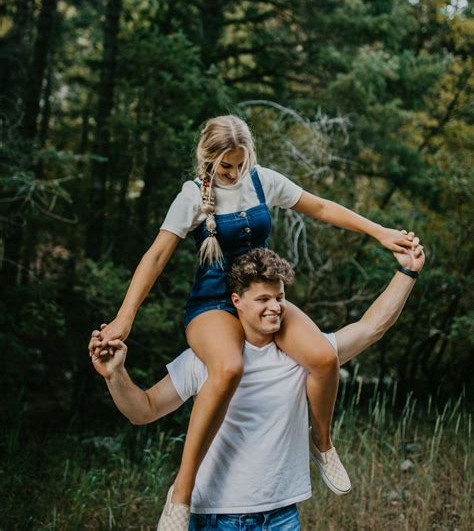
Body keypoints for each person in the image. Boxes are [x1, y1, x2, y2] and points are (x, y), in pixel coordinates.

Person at [89, 114, 417, 529]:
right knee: (227, 368)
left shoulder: (263, 181)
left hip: (262, 295)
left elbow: (320, 206)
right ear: (207, 159)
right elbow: (155, 257)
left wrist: (380, 232)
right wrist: (124, 319)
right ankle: (182, 492)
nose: (233, 172)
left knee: (322, 357)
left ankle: (322, 442)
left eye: (239, 164)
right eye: (225, 166)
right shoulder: (191, 196)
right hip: (213, 303)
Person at [91, 243, 424, 531]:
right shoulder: (207, 358)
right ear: (236, 300)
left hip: (281, 515)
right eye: (263, 298)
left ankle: (322, 443)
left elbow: (370, 328)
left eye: (279, 297)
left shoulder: (303, 356)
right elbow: (143, 410)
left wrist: (406, 273)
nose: (275, 306)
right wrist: (115, 375)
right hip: (216, 516)